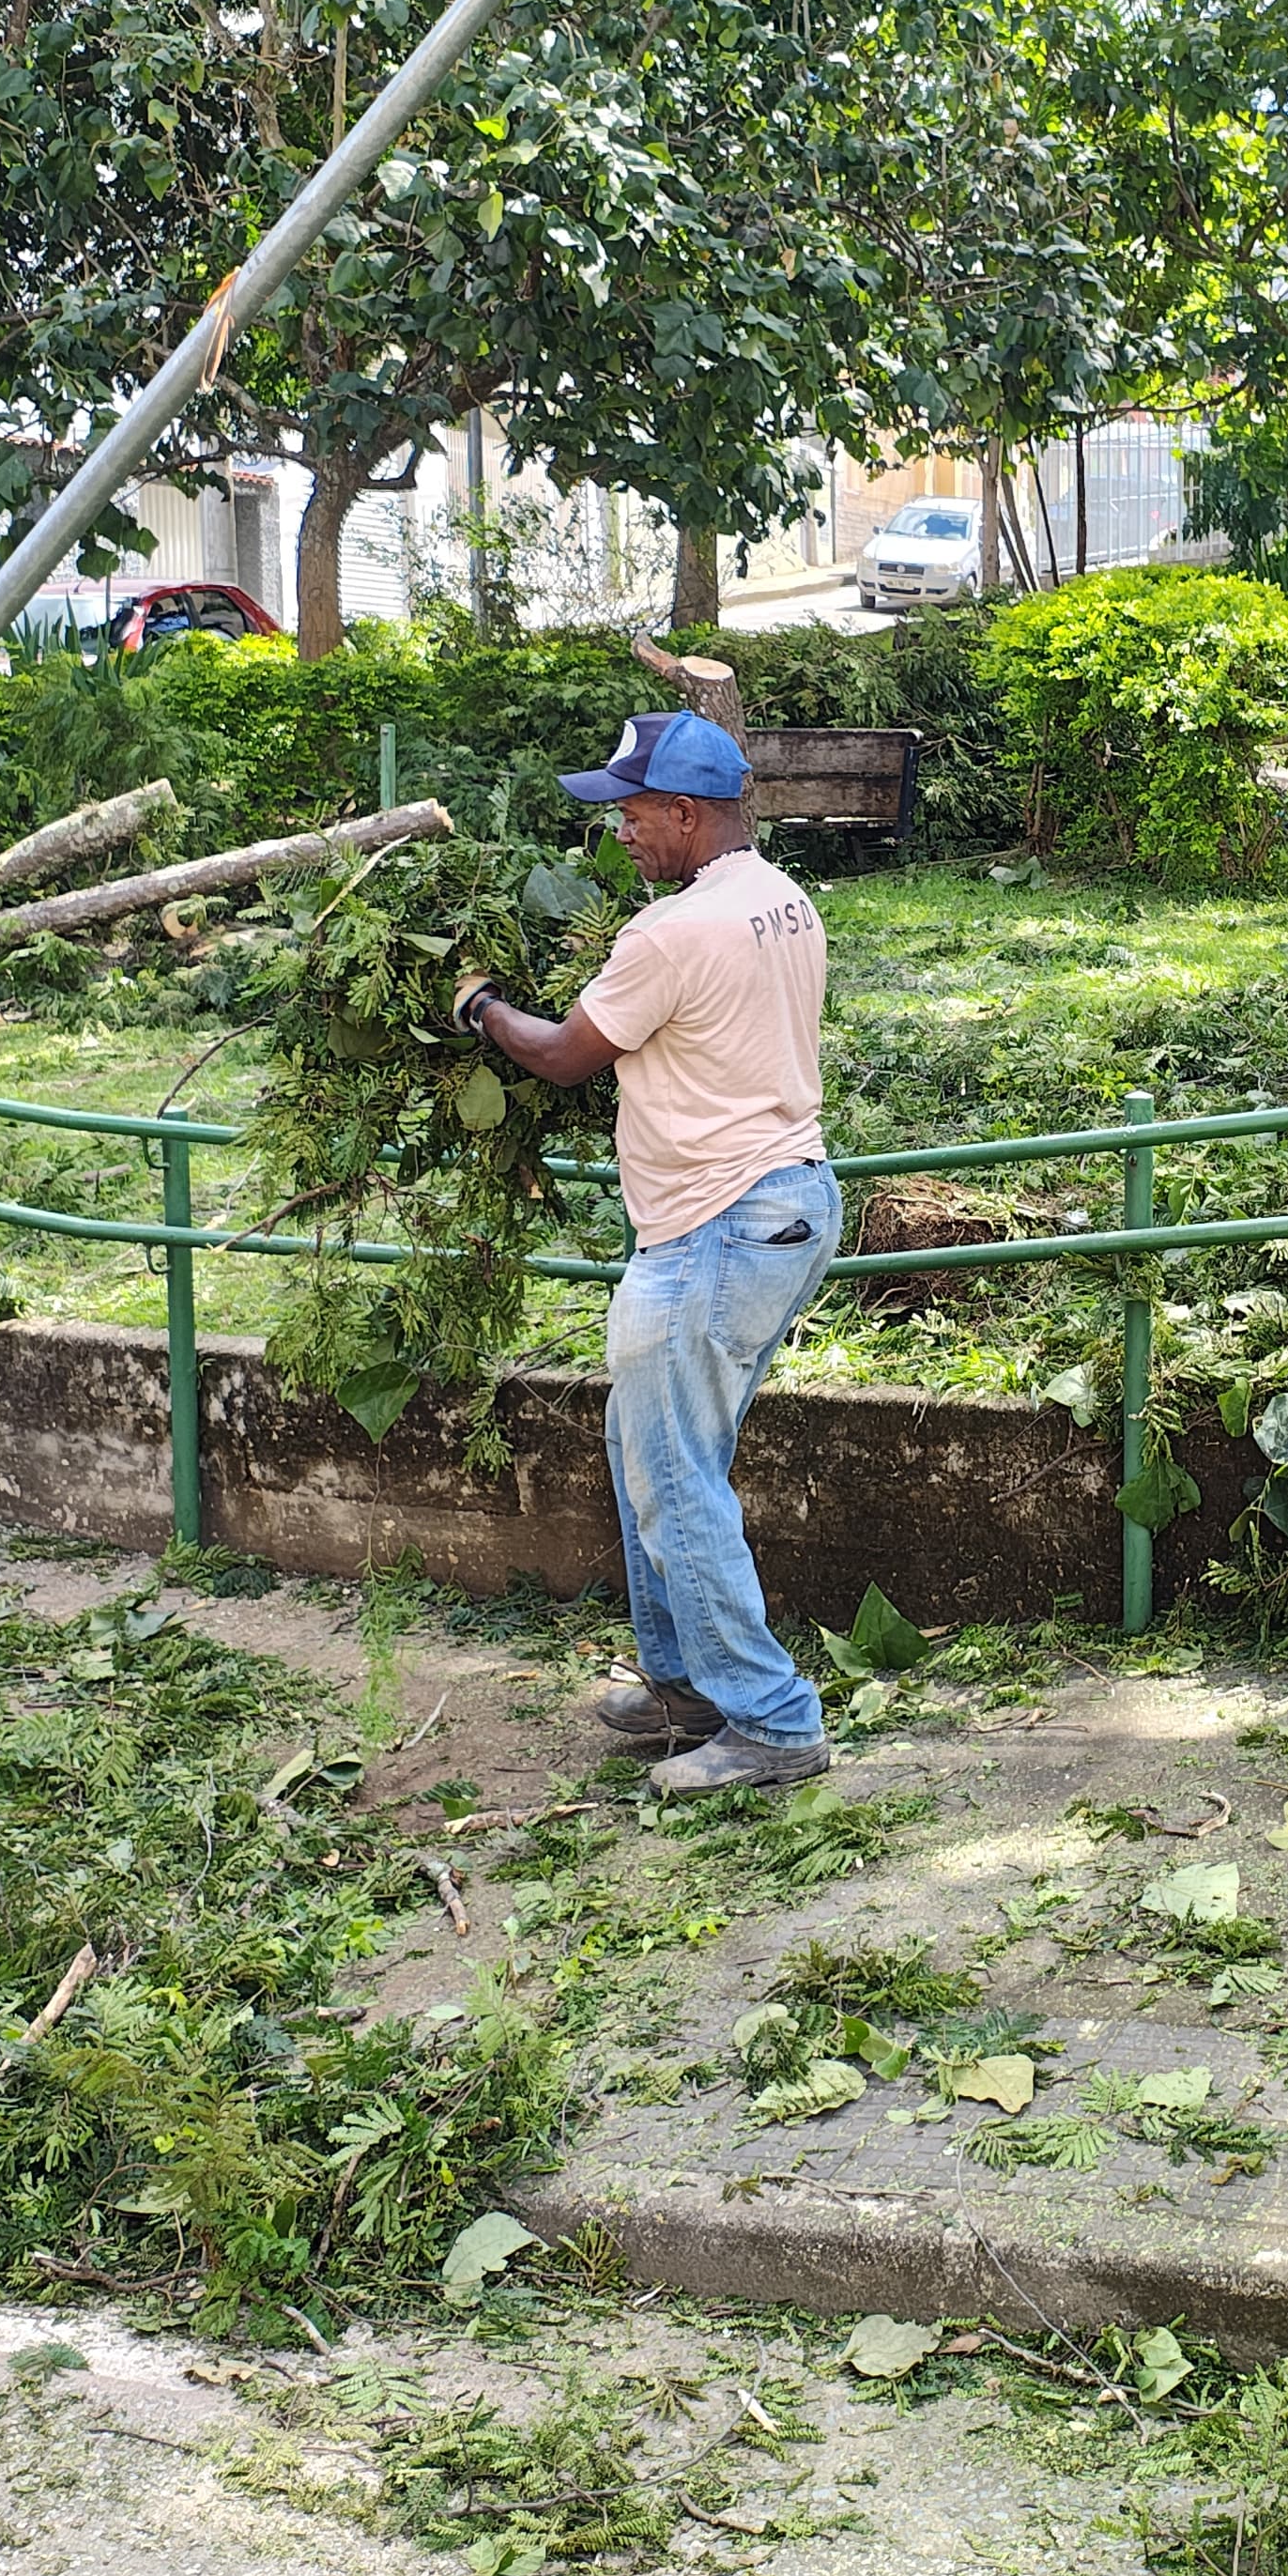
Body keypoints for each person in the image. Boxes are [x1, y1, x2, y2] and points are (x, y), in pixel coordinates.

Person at [454, 705, 840, 1795]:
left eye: (630, 812)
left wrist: (480, 1005)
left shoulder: (669, 932)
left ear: (684, 812)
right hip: (787, 1202)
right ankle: (685, 1683)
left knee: (672, 1478)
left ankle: (770, 1720)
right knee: (657, 1462)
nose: (618, 830)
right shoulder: (781, 898)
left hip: (713, 1229)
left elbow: (566, 1056)